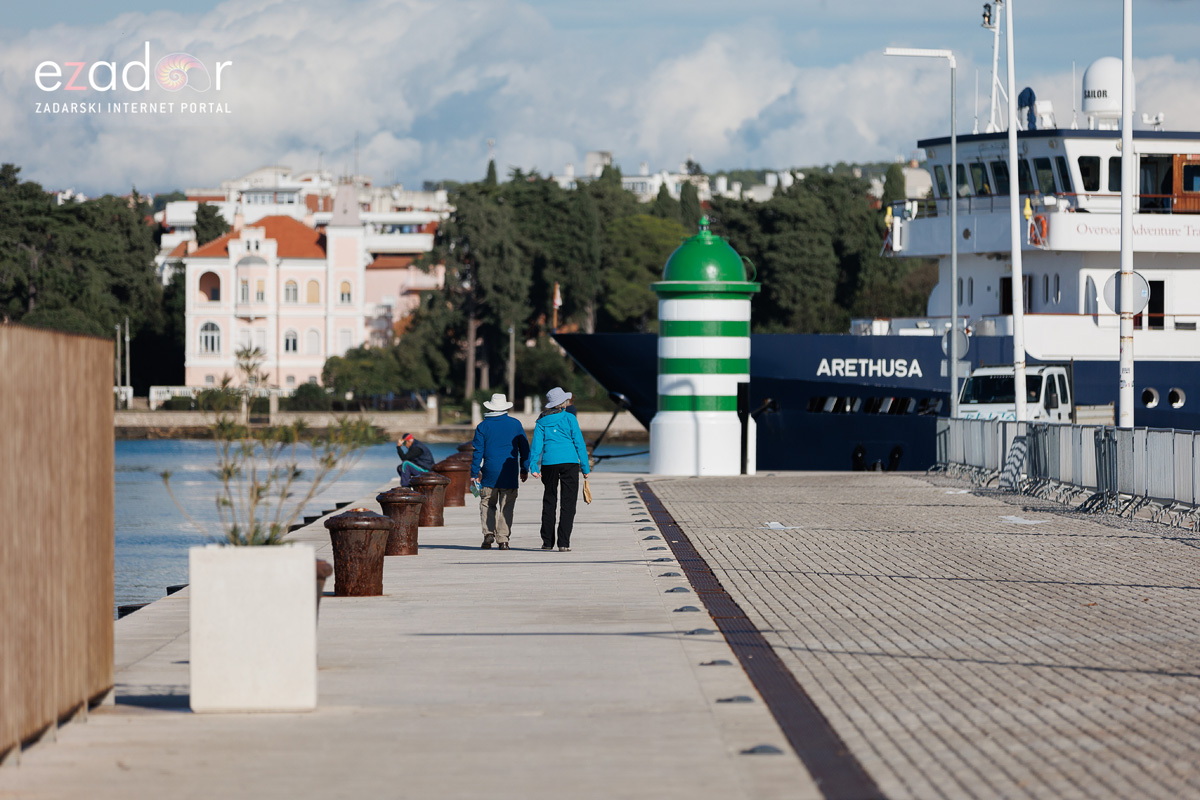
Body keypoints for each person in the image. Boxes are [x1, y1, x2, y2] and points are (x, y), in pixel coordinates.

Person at [528, 386, 591, 552]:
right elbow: (579, 443)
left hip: (549, 463)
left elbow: (536, 446)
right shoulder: (570, 418)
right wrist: (585, 466)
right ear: (562, 402)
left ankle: (547, 542)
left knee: (549, 500)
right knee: (568, 503)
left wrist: (533, 466)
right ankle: (563, 542)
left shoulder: (541, 421)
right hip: (570, 462)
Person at [469, 393, 529, 550]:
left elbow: (477, 452)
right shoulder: (515, 424)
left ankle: (488, 533)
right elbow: (524, 449)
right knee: (507, 505)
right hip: (509, 472)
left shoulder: (482, 426)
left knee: (487, 502)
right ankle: (503, 540)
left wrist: (474, 473)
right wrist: (524, 468)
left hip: (489, 472)